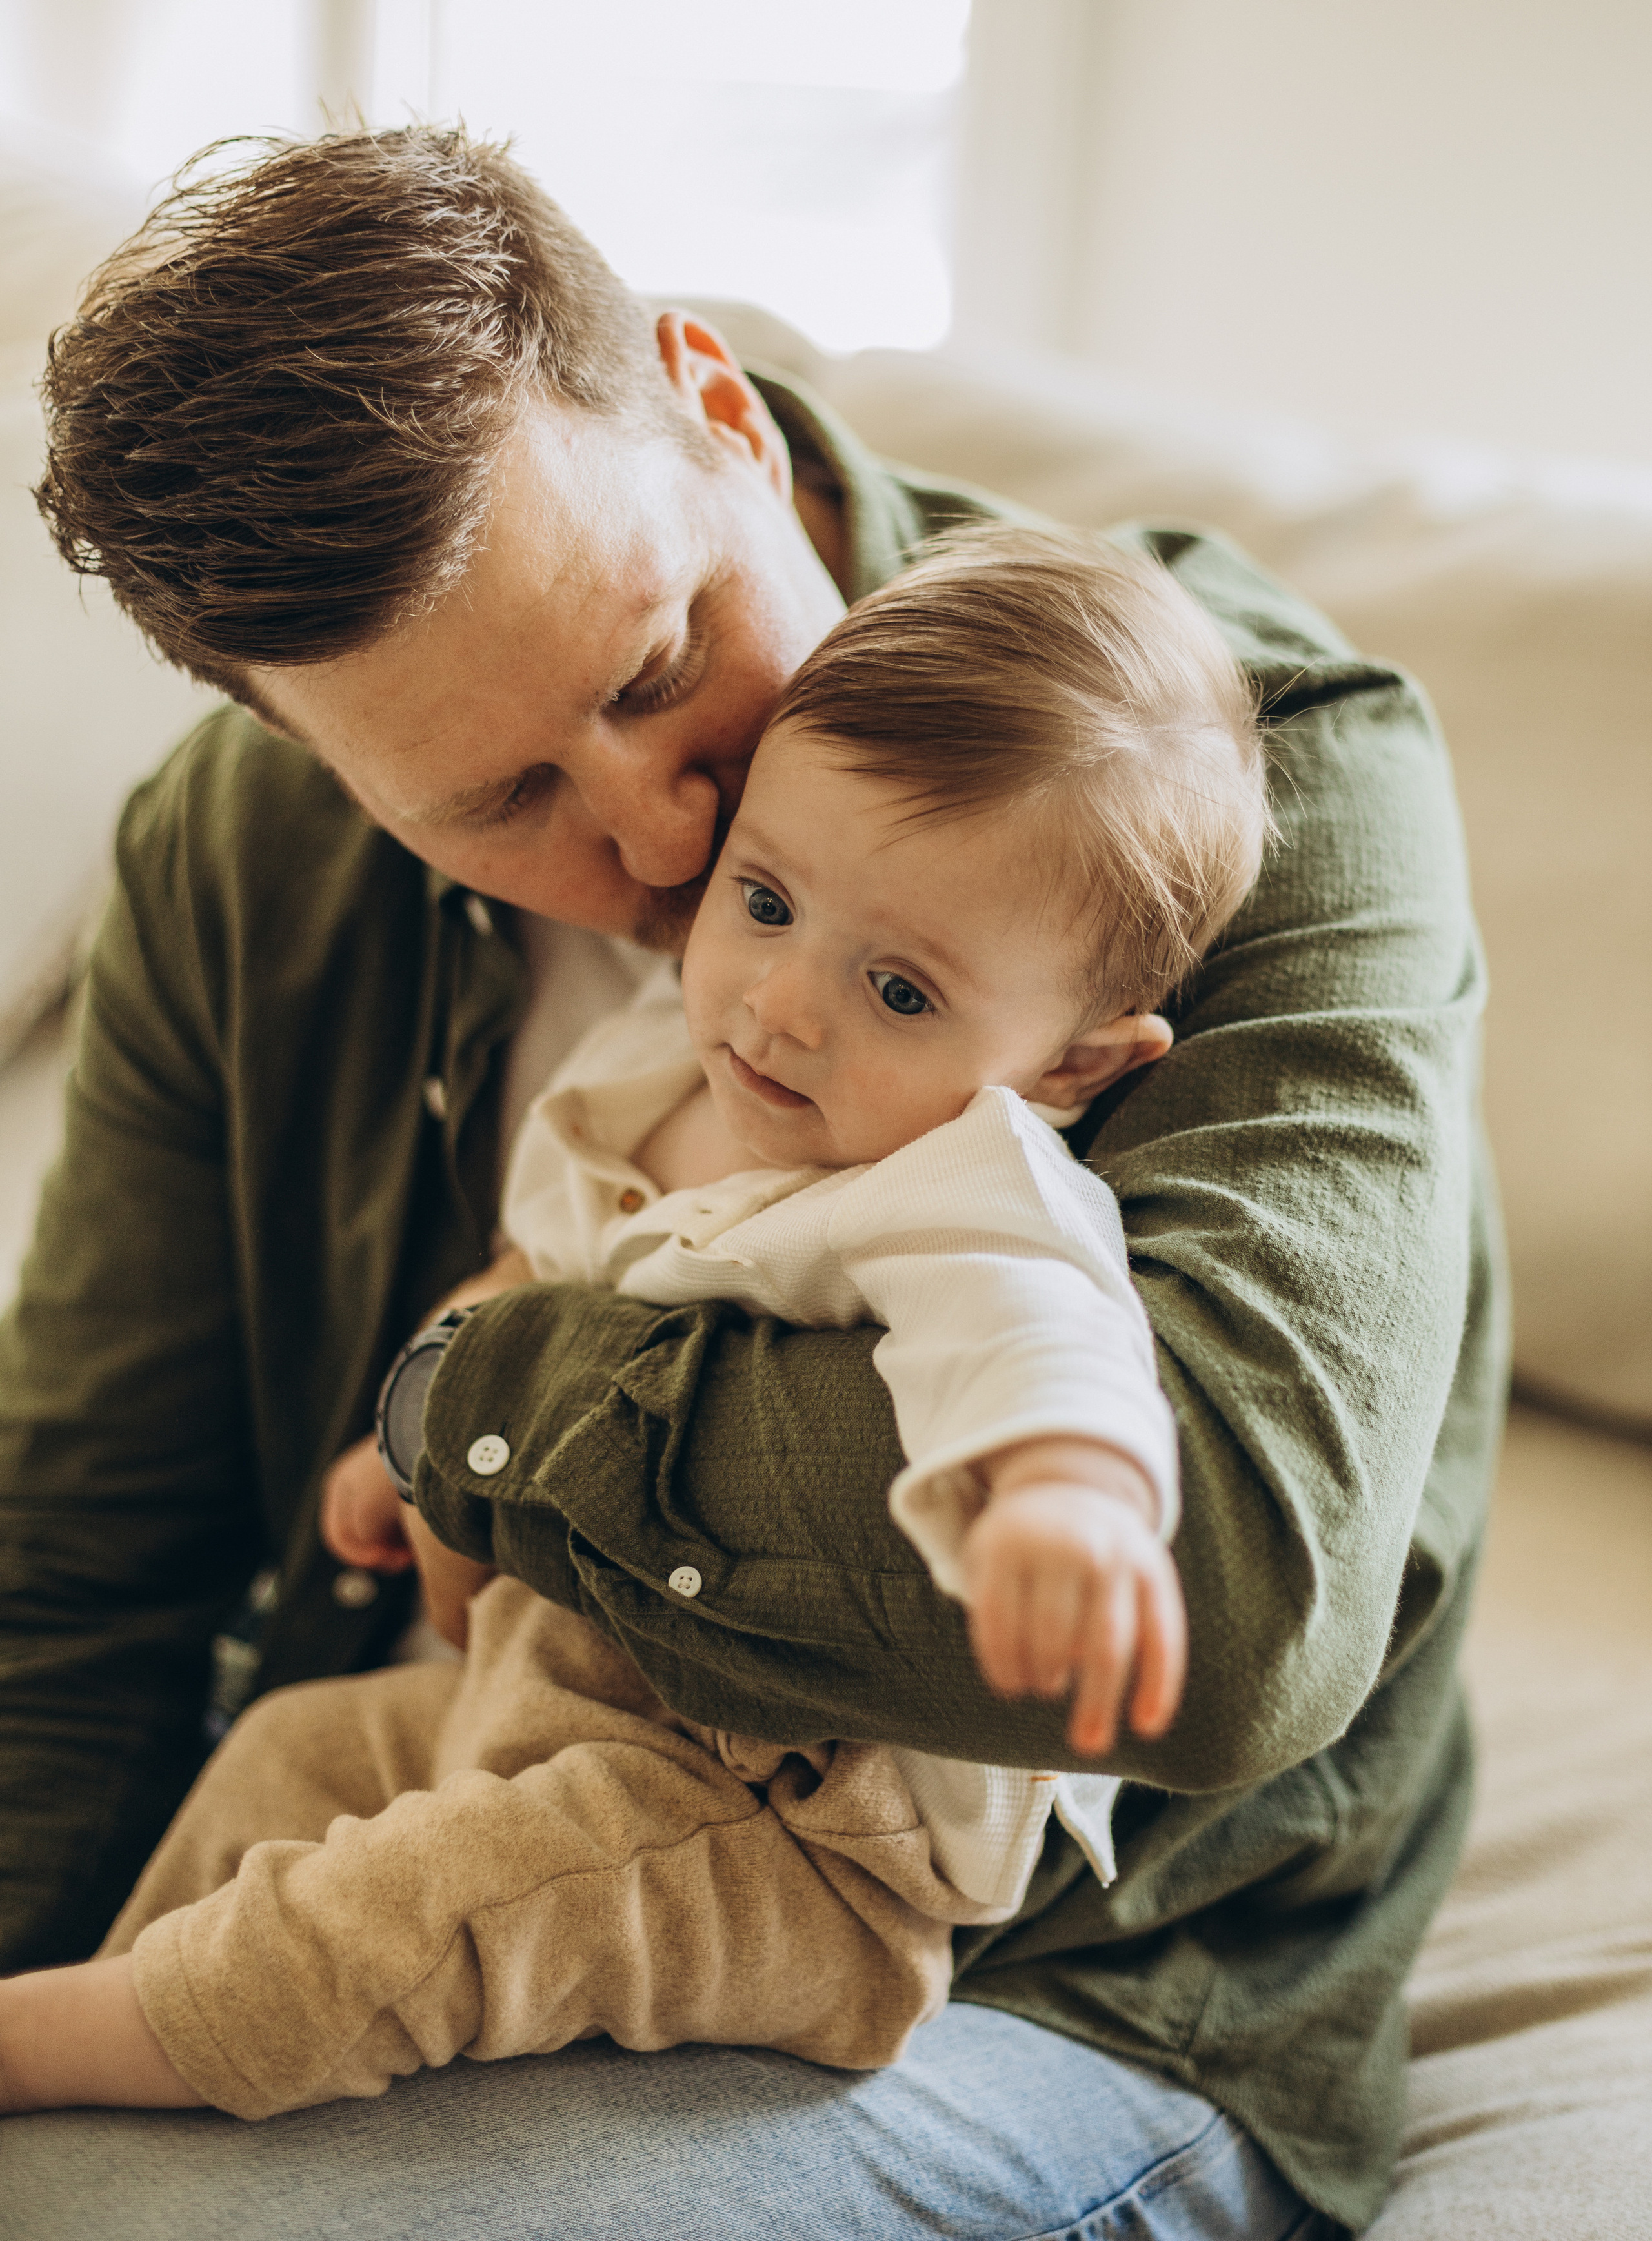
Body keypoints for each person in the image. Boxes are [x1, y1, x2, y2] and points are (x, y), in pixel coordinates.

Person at [0, 126, 1505, 2240]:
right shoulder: (241, 862)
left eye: (650, 662)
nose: (655, 826)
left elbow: (1234, 1607)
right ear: (316, 764)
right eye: (500, 797)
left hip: (1051, 1990)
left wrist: (472, 1412)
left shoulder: (1221, 768)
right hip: (464, 1783)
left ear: (712, 405)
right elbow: (81, 1578)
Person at [0, 526, 1262, 2120]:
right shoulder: (647, 1082)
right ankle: (105, 2054)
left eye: (900, 993)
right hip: (539, 1704)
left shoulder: (962, 1180)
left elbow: (1033, 1333)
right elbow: (536, 1269)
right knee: (288, 1756)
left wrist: (1070, 1496)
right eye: (767, 896)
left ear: (1071, 1066)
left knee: (423, 1908)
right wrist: (402, 1439)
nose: (781, 1002)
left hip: (795, 1832)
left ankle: (66, 2050)